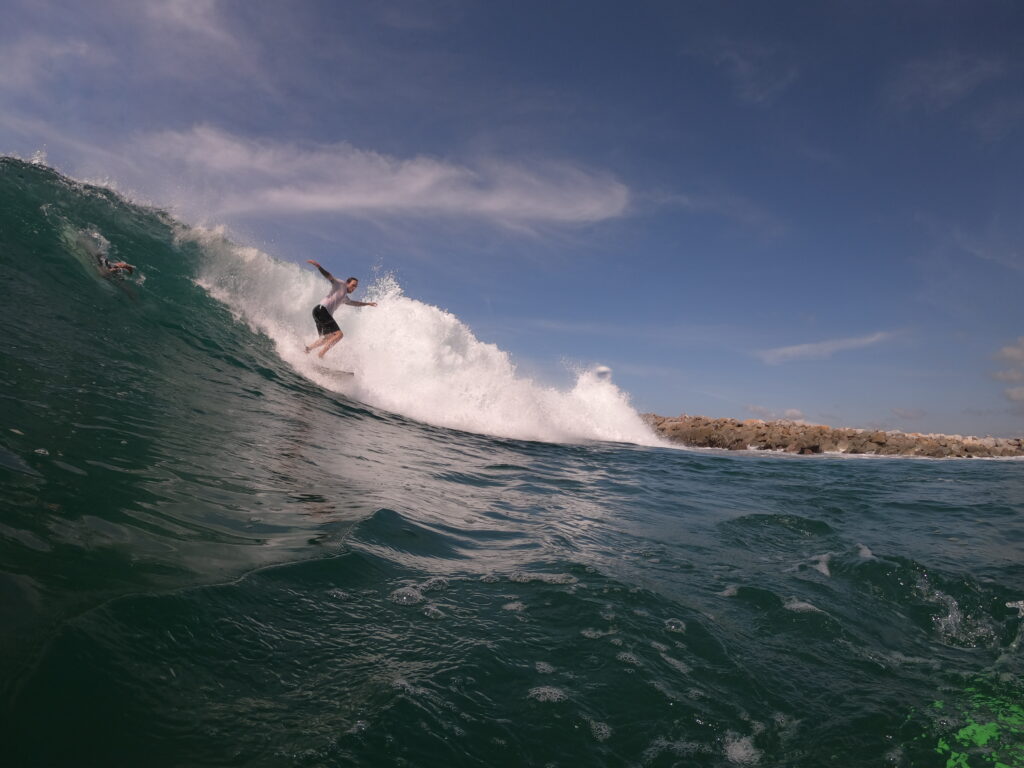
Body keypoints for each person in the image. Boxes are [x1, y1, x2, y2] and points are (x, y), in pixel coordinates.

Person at [304, 260, 377, 358]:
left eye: (356, 286)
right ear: (347, 283)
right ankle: (320, 355)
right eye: (353, 285)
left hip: (317, 312)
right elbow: (329, 276)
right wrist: (318, 266)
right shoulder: (340, 284)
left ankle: (308, 349)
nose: (354, 288)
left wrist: (368, 304)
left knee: (327, 338)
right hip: (322, 310)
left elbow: (355, 303)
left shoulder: (345, 298)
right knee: (339, 335)